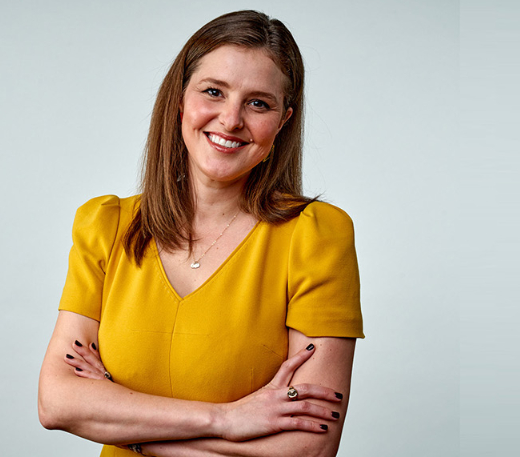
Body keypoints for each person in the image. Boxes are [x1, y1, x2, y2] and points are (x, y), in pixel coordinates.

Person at [38, 10, 364, 457]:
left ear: (284, 122)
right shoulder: (107, 226)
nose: (230, 120)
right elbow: (56, 403)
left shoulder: (317, 238)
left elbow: (308, 447)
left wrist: (123, 422)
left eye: (258, 103)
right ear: (180, 100)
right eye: (213, 92)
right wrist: (229, 420)